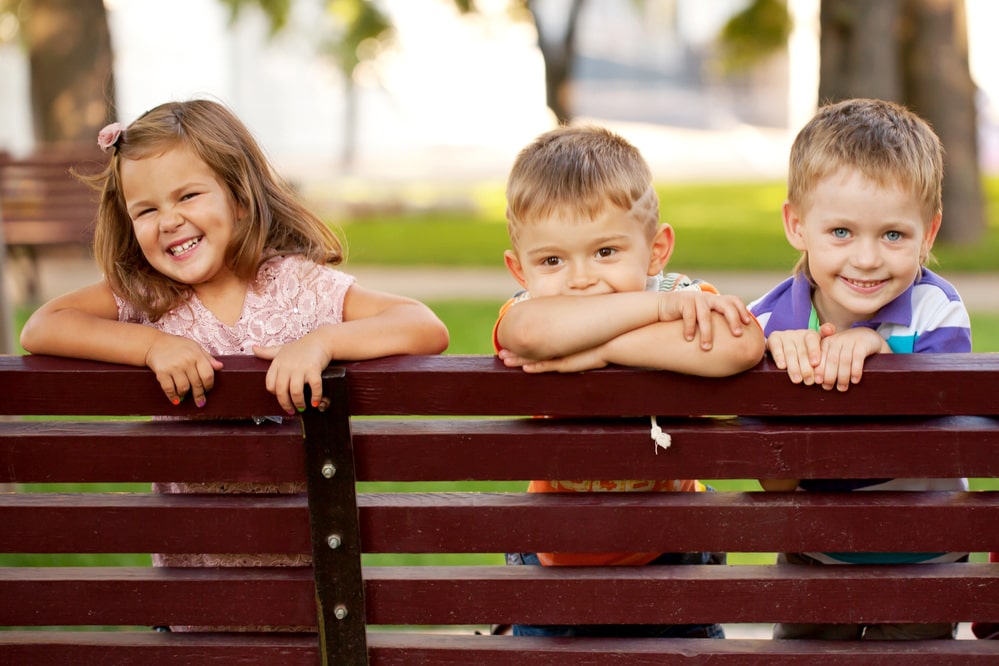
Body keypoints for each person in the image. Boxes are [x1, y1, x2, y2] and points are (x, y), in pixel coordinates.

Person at [19, 99, 449, 628]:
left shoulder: (296, 287)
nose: (170, 220)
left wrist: (322, 342)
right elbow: (42, 325)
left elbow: (424, 325)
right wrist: (151, 348)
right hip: (195, 602)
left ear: (240, 200)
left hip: (305, 598)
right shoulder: (146, 298)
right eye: (146, 210)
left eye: (188, 195)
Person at [492, 125, 765, 638]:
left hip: (672, 554)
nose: (580, 279)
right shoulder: (533, 314)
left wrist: (598, 350)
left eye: (605, 252)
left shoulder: (681, 292)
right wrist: (657, 312)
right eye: (552, 260)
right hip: (554, 560)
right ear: (519, 270)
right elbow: (526, 334)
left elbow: (743, 344)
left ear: (656, 250)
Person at [748, 98, 972, 641]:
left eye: (893, 235)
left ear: (929, 232)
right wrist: (779, 375)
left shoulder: (937, 312)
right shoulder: (765, 326)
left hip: (926, 557)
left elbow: (946, 431)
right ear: (796, 225)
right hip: (815, 555)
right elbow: (774, 482)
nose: (867, 259)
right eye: (842, 232)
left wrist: (881, 351)